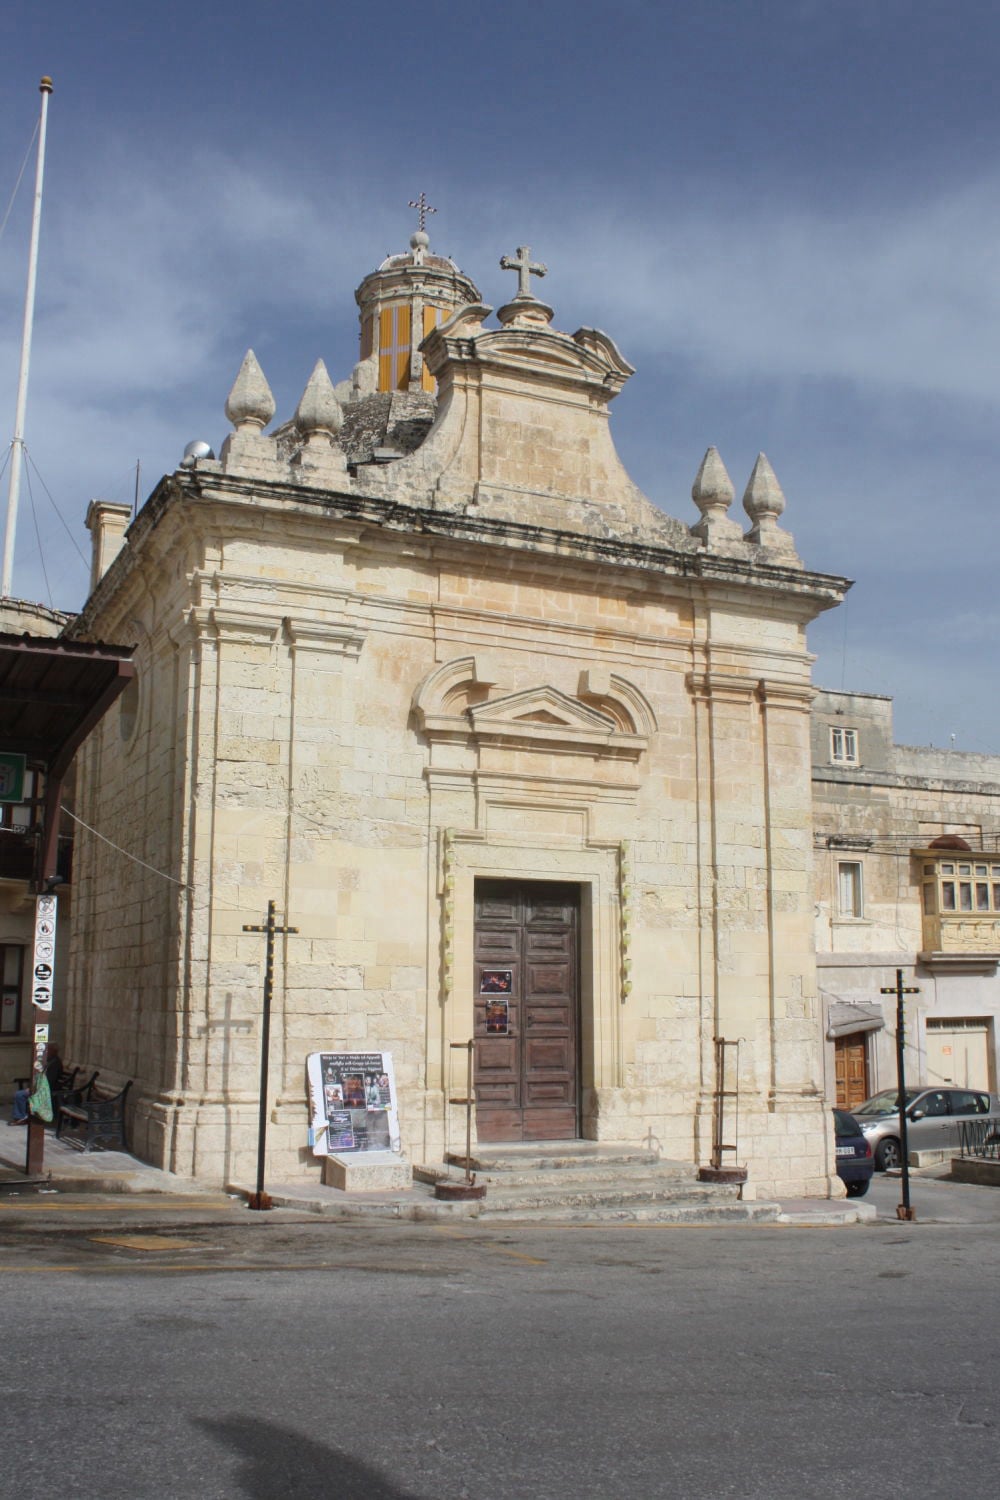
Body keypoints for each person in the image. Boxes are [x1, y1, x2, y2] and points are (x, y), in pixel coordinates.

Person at [9, 1042, 62, 1124]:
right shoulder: (49, 1061)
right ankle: (21, 1116)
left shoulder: (55, 1063)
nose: (46, 1051)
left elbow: (49, 1080)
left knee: (19, 1095)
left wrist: (34, 1089)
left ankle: (21, 1117)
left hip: (45, 1090)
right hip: (42, 1087)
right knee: (20, 1094)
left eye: (48, 1050)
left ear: (54, 1051)